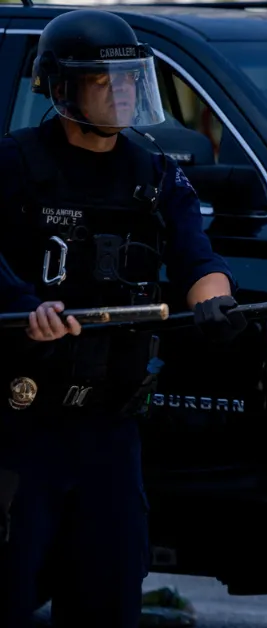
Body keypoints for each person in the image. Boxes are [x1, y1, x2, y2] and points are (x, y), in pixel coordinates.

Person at [0, 9, 245, 628]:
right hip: (21, 424)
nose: (124, 94)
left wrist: (216, 302)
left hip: (110, 429)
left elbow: (196, 257)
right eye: (103, 81)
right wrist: (25, 307)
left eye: (131, 79)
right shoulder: (14, 163)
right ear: (61, 88)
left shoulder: (156, 174)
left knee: (108, 599)